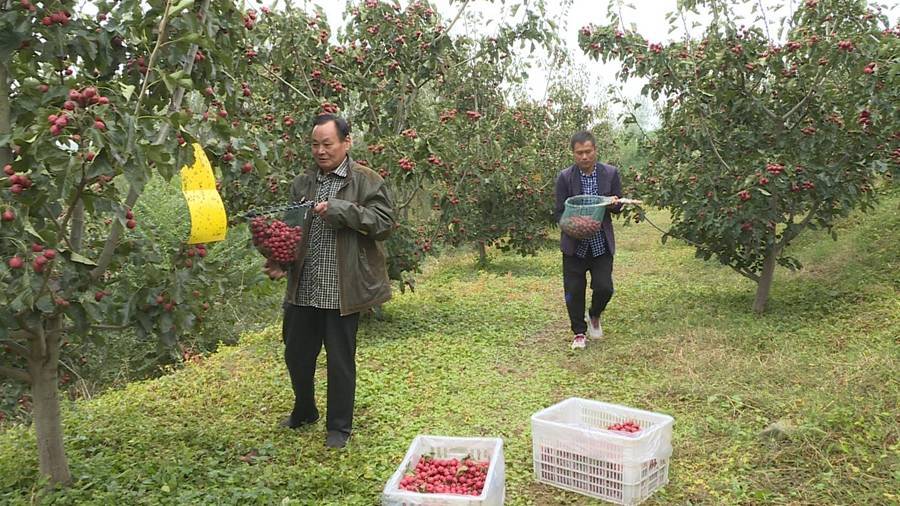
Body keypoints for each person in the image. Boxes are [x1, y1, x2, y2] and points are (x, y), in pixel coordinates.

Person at [264, 114, 395, 448]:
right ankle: (305, 410)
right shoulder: (303, 183)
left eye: (327, 144)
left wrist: (342, 210)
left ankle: (339, 427)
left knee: (339, 360)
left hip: (343, 290)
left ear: (346, 142)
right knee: (296, 355)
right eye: (315, 145)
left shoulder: (366, 180)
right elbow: (291, 229)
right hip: (304, 286)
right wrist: (279, 258)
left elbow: (384, 223)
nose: (320, 151)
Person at [554, 131, 622, 350]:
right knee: (574, 290)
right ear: (573, 154)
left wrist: (613, 203)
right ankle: (579, 332)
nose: (584, 157)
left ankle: (594, 314)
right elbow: (559, 211)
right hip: (575, 244)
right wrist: (575, 224)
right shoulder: (565, 177)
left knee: (605, 287)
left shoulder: (610, 174)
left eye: (588, 152)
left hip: (600, 244)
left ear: (595, 150)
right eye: (579, 153)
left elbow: (618, 205)